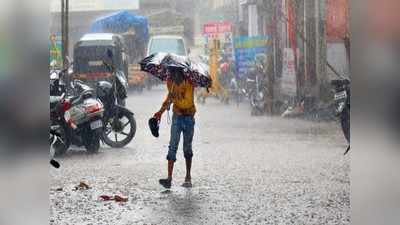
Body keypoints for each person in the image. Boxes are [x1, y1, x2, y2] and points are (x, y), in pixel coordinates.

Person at [153, 66, 196, 189]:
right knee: (172, 147)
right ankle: (169, 178)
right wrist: (159, 113)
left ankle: (188, 176)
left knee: (187, 148)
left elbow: (187, 102)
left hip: (188, 118)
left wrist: (174, 96)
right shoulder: (170, 83)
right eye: (170, 73)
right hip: (177, 117)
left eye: (172, 73)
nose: (170, 76)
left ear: (180, 73)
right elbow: (168, 99)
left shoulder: (189, 82)